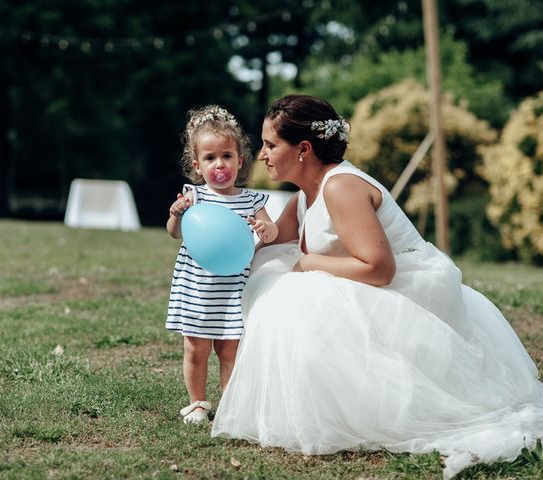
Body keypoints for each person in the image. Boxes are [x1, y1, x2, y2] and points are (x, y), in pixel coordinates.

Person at [211, 94, 543, 478]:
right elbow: (268, 240)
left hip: (410, 290)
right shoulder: (306, 194)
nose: (263, 155)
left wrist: (309, 263)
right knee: (277, 280)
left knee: (293, 291)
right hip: (379, 281)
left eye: (270, 145)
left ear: (303, 149)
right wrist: (218, 213)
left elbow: (378, 269)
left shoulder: (341, 187)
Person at [166, 105, 278, 424]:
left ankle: (231, 403)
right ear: (197, 165)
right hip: (198, 289)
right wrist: (176, 214)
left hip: (233, 290)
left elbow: (271, 232)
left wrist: (265, 229)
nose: (220, 164)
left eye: (227, 155)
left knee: (230, 351)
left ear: (240, 160)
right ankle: (198, 402)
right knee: (196, 349)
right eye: (210, 157)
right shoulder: (193, 198)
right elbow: (175, 234)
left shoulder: (252, 200)